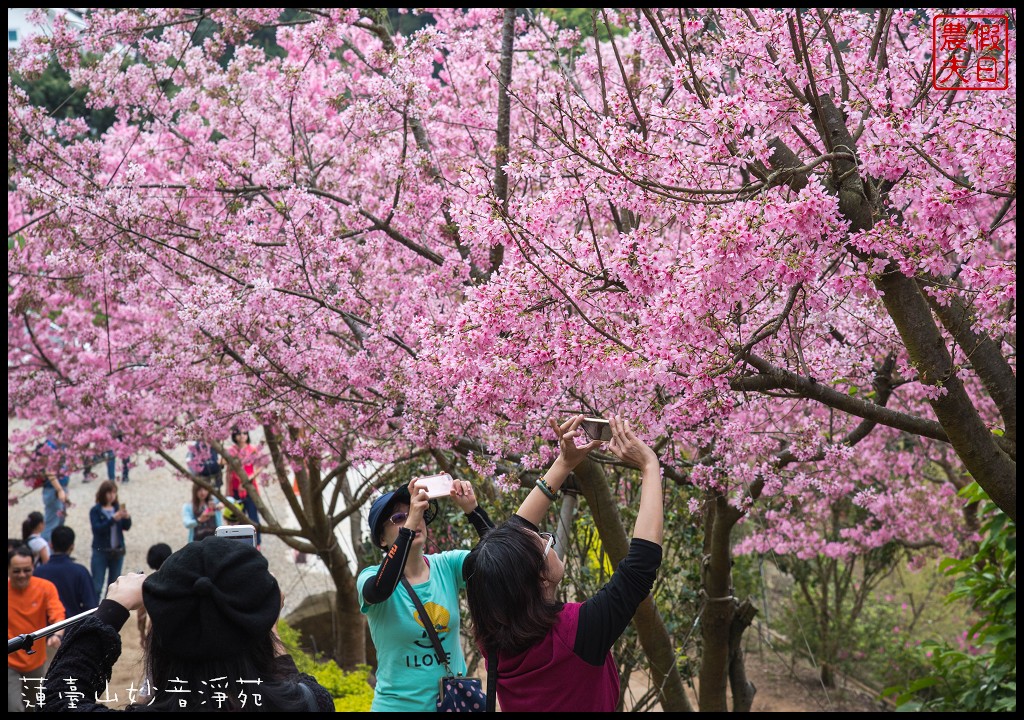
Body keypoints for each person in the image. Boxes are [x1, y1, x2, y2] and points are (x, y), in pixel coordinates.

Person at [464, 415, 663, 713]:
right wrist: (649, 466)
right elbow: (639, 568)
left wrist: (564, 463)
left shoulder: (493, 636)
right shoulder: (577, 632)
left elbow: (512, 537)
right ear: (541, 577)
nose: (549, 539)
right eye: (545, 542)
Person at [42, 537, 334, 711]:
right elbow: (291, 683)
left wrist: (112, 608)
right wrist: (265, 624)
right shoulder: (310, 703)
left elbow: (59, 698)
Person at [358, 476, 495, 711]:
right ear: (381, 538)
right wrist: (409, 526)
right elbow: (380, 589)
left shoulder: (448, 566)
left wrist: (473, 510)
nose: (413, 519)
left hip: (454, 705)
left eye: (416, 512)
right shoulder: (369, 577)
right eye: (399, 517)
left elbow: (499, 558)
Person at [8, 546, 66, 712]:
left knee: (33, 707)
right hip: (9, 661)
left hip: (35, 660)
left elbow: (57, 613)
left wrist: (57, 635)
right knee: (13, 708)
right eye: (16, 571)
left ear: (33, 567)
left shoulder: (45, 587)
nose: (22, 575)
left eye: (27, 570)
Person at [32, 526, 98, 617]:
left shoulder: (38, 572)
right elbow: (91, 607)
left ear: (51, 545)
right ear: (72, 547)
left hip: (45, 628)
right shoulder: (80, 572)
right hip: (73, 626)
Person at [89, 480, 132, 600]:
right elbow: (97, 529)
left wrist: (127, 518)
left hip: (117, 551)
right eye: (109, 492)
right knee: (97, 585)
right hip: (101, 551)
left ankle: (108, 612)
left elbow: (126, 527)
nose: (112, 495)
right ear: (103, 493)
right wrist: (112, 520)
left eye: (114, 492)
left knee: (114, 586)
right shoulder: (95, 510)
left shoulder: (117, 508)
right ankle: (93, 611)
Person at [223, 428, 263, 547]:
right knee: (237, 517)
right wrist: (227, 491)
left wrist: (249, 478)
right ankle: (239, 543)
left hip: (250, 488)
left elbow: (259, 467)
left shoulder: (253, 449)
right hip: (235, 489)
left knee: (253, 517)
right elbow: (228, 471)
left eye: (244, 433)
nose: (242, 436)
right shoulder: (231, 451)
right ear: (234, 436)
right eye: (239, 433)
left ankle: (257, 544)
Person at [136, 543, 172, 650]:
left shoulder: (149, 583)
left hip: (155, 631)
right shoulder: (179, 580)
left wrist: (142, 636)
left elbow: (141, 616)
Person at [36, 439, 70, 543]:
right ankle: (46, 555)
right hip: (53, 490)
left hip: (61, 488)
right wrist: (60, 489)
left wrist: (64, 489)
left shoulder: (64, 443)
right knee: (51, 524)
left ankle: (57, 551)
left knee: (60, 522)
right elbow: (48, 470)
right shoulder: (50, 445)